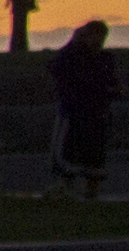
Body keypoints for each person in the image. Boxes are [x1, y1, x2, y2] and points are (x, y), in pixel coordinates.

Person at [45, 17, 118, 203]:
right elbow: (56, 69)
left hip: (96, 115)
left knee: (94, 158)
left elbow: (113, 84)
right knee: (67, 155)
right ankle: (64, 189)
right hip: (73, 113)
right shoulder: (71, 57)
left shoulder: (105, 59)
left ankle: (90, 194)